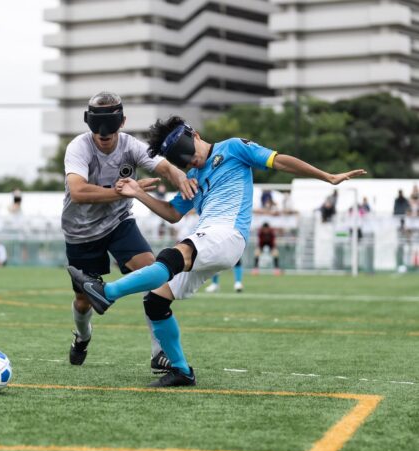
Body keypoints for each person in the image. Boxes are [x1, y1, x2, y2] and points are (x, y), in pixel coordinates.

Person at [69, 116, 365, 387]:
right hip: (208, 237)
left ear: (194, 134)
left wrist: (327, 176)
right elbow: (173, 213)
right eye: (180, 159)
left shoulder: (234, 148)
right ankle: (181, 371)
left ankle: (106, 294)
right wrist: (138, 193)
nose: (190, 159)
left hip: (228, 233)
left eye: (187, 149)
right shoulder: (194, 180)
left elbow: (280, 161)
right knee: (157, 300)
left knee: (171, 257)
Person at [62, 91, 198, 372]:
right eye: (98, 128)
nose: (104, 135)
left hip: (118, 224)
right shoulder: (79, 148)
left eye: (110, 128)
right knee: (83, 300)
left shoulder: (130, 146)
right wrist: (122, 191)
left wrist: (180, 176)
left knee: (154, 272)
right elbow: (77, 191)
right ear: (88, 123)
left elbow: (163, 166)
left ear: (122, 122)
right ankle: (83, 336)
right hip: (81, 232)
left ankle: (159, 354)